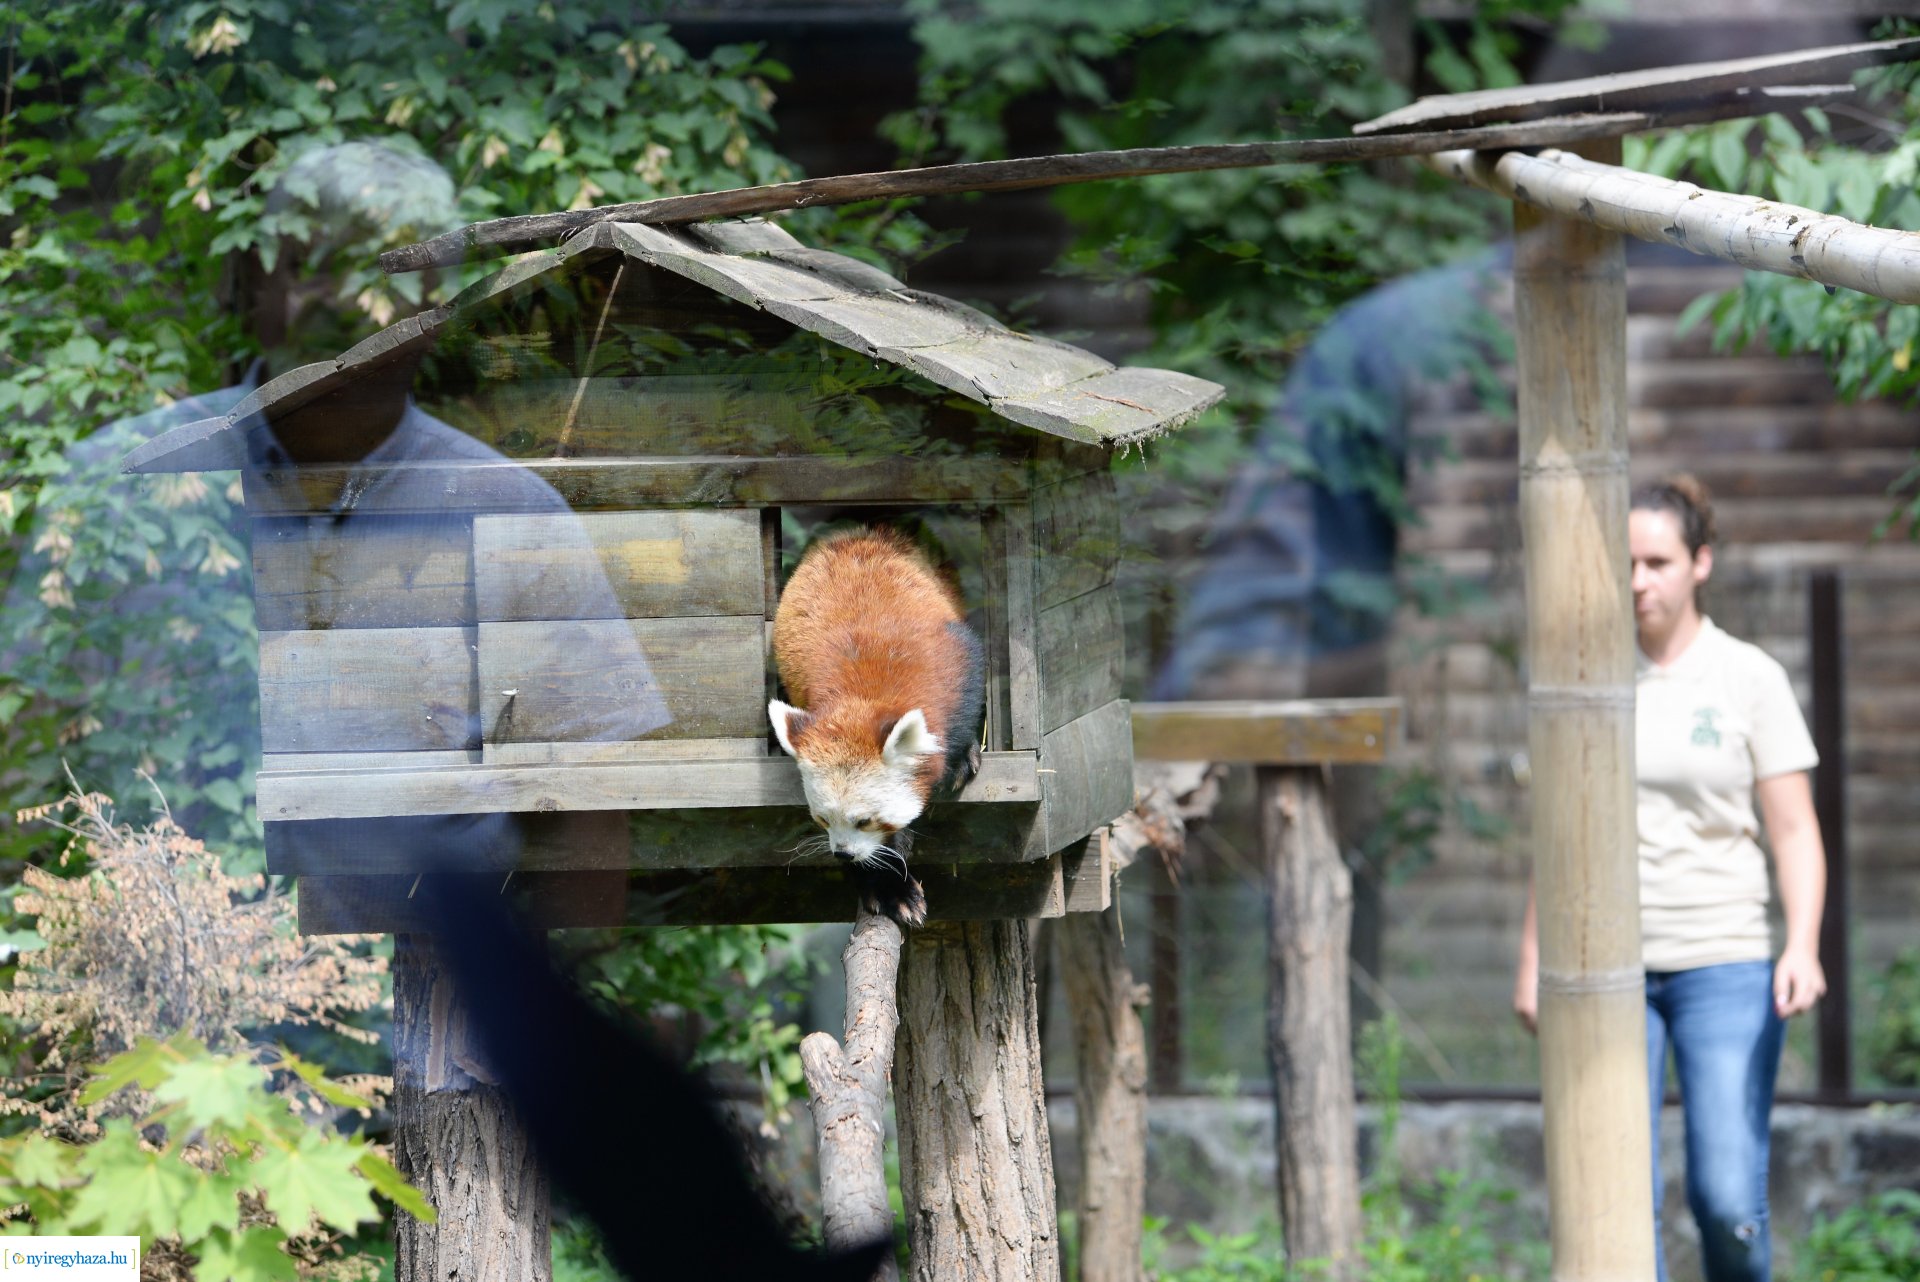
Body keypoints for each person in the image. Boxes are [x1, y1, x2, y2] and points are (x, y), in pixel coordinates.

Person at [1512, 474, 1827, 1282]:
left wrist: (1803, 946)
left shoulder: (1747, 677)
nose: (1639, 580)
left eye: (1657, 561)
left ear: (1701, 564)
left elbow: (1794, 832)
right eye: (1624, 563)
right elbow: (1560, 836)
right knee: (1613, 1203)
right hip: (1603, 975)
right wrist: (1531, 963)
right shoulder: (1580, 679)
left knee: (1727, 1200)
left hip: (1725, 960)